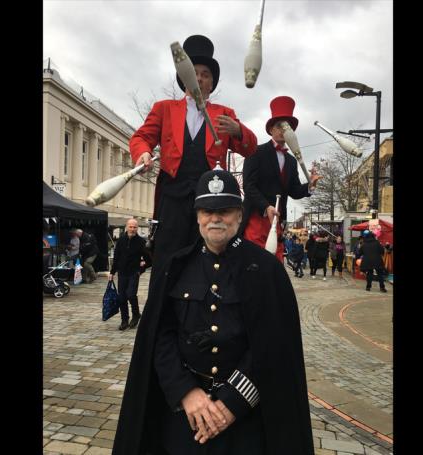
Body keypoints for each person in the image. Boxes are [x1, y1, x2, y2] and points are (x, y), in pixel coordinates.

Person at [112, 165, 314, 455]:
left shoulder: (266, 270)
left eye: (225, 210)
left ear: (239, 215)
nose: (215, 218)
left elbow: (273, 347)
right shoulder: (175, 267)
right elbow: (161, 336)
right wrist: (186, 392)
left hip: (246, 418)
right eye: (207, 211)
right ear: (197, 217)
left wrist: (232, 403)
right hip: (185, 413)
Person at [129, 34, 258, 275]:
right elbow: (140, 138)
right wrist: (143, 152)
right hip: (173, 196)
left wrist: (238, 130)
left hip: (210, 198)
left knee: (207, 259)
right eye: (194, 72)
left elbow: (251, 148)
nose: (199, 77)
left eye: (205, 74)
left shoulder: (224, 113)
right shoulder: (164, 109)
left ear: (212, 83)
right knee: (168, 260)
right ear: (183, 77)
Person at [240, 96, 320, 262]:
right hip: (256, 219)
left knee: (275, 267)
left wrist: (309, 186)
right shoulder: (256, 152)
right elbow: (249, 186)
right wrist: (266, 206)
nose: (284, 130)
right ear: (271, 130)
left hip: (278, 223)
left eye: (288, 127)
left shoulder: (291, 161)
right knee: (255, 264)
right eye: (279, 126)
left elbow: (294, 190)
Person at [109, 218, 152, 330]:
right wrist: (112, 272)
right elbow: (117, 257)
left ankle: (136, 314)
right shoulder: (121, 240)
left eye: (134, 227)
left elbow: (149, 260)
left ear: (137, 228)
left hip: (134, 272)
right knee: (122, 297)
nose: (132, 229)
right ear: (126, 227)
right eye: (130, 227)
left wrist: (140, 270)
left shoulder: (141, 242)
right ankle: (124, 320)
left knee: (131, 294)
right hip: (122, 272)